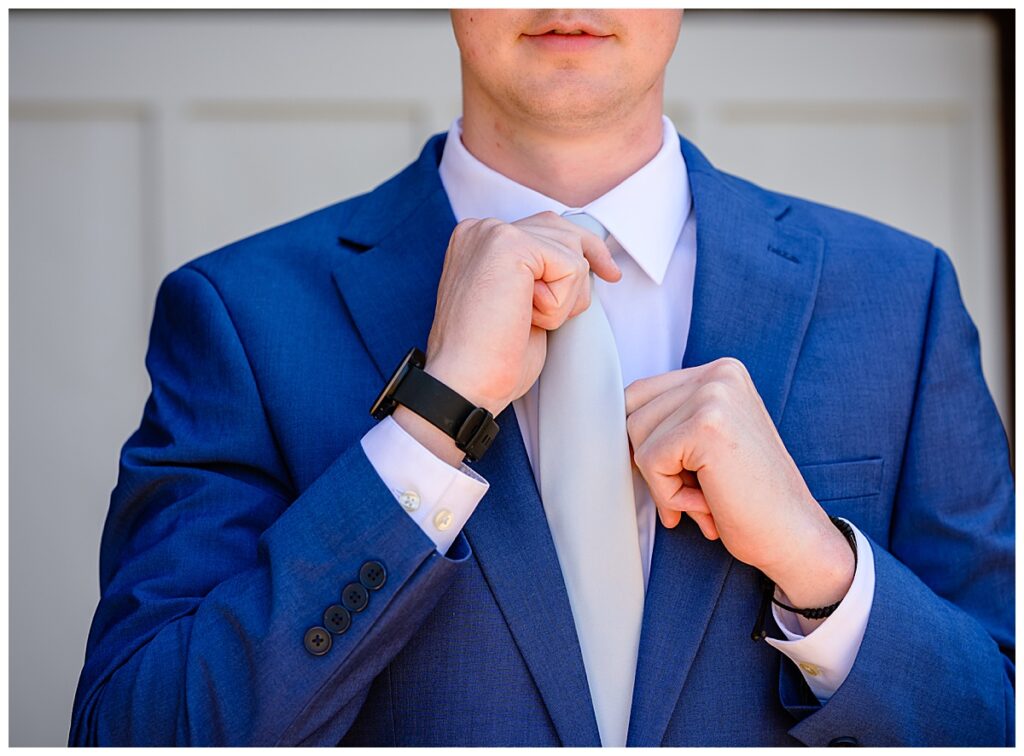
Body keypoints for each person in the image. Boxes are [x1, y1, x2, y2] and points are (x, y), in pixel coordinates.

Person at [70, 9, 1013, 747]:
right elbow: (137, 733)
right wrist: (428, 427)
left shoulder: (900, 294)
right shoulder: (241, 312)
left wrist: (823, 569)